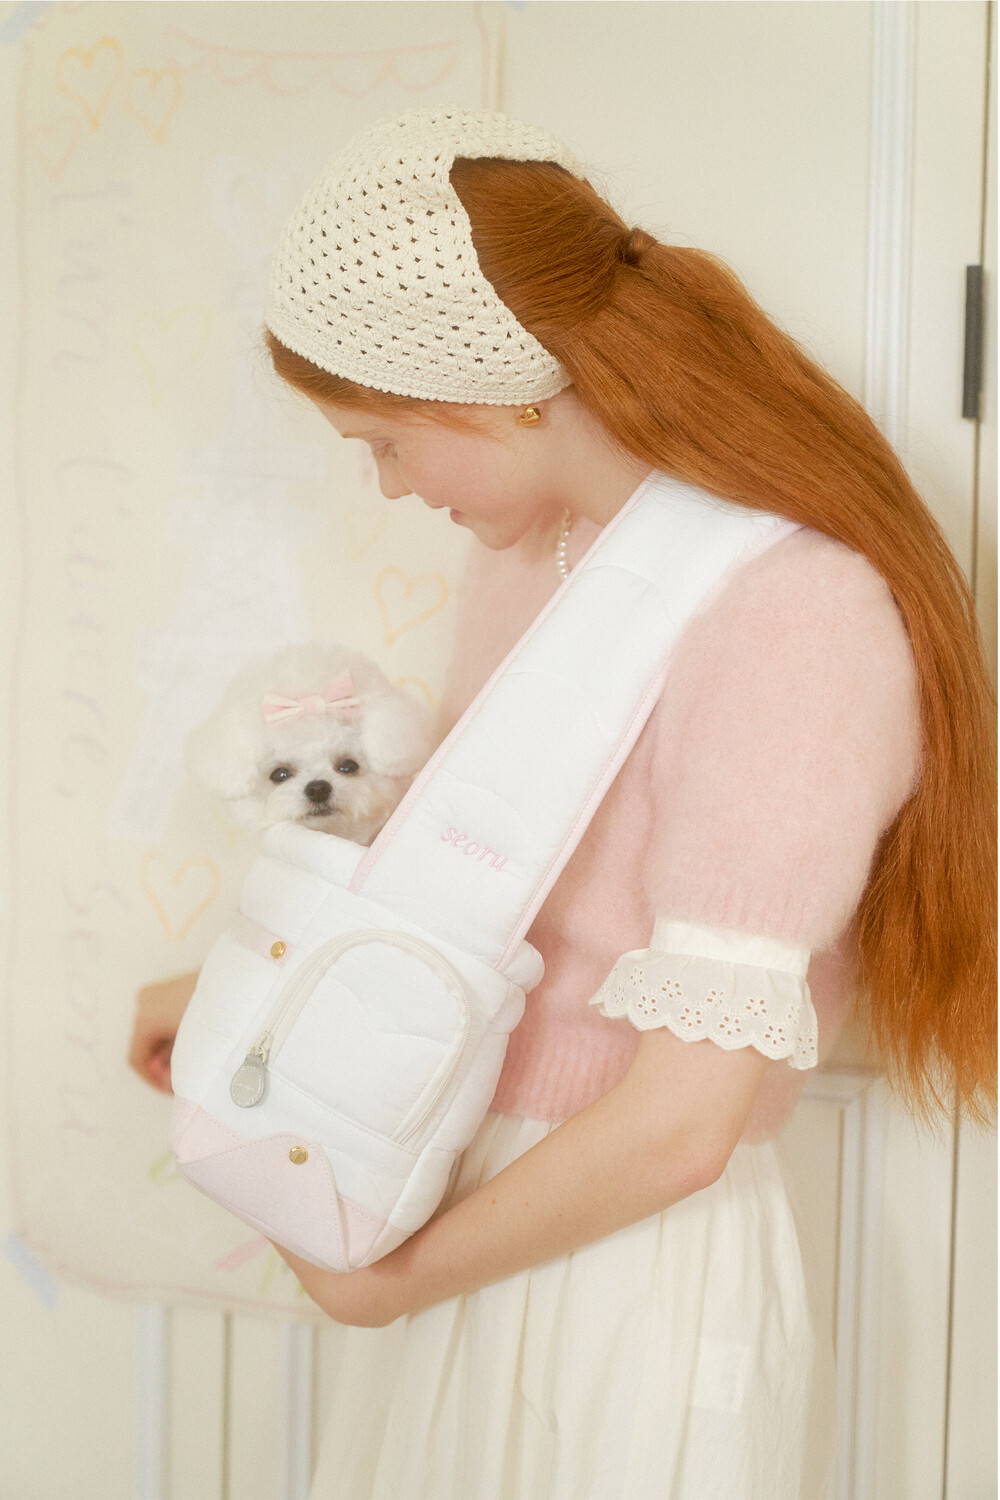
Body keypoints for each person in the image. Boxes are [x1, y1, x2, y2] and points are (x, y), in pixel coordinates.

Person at [130, 108, 996, 1499]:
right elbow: (505, 908)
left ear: (494, 390)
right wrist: (240, 983)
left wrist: (385, 1286)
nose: (386, 486)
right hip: (461, 1186)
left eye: (384, 441)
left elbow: (680, 1128)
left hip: (617, 1263)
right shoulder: (536, 555)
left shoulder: (794, 613)